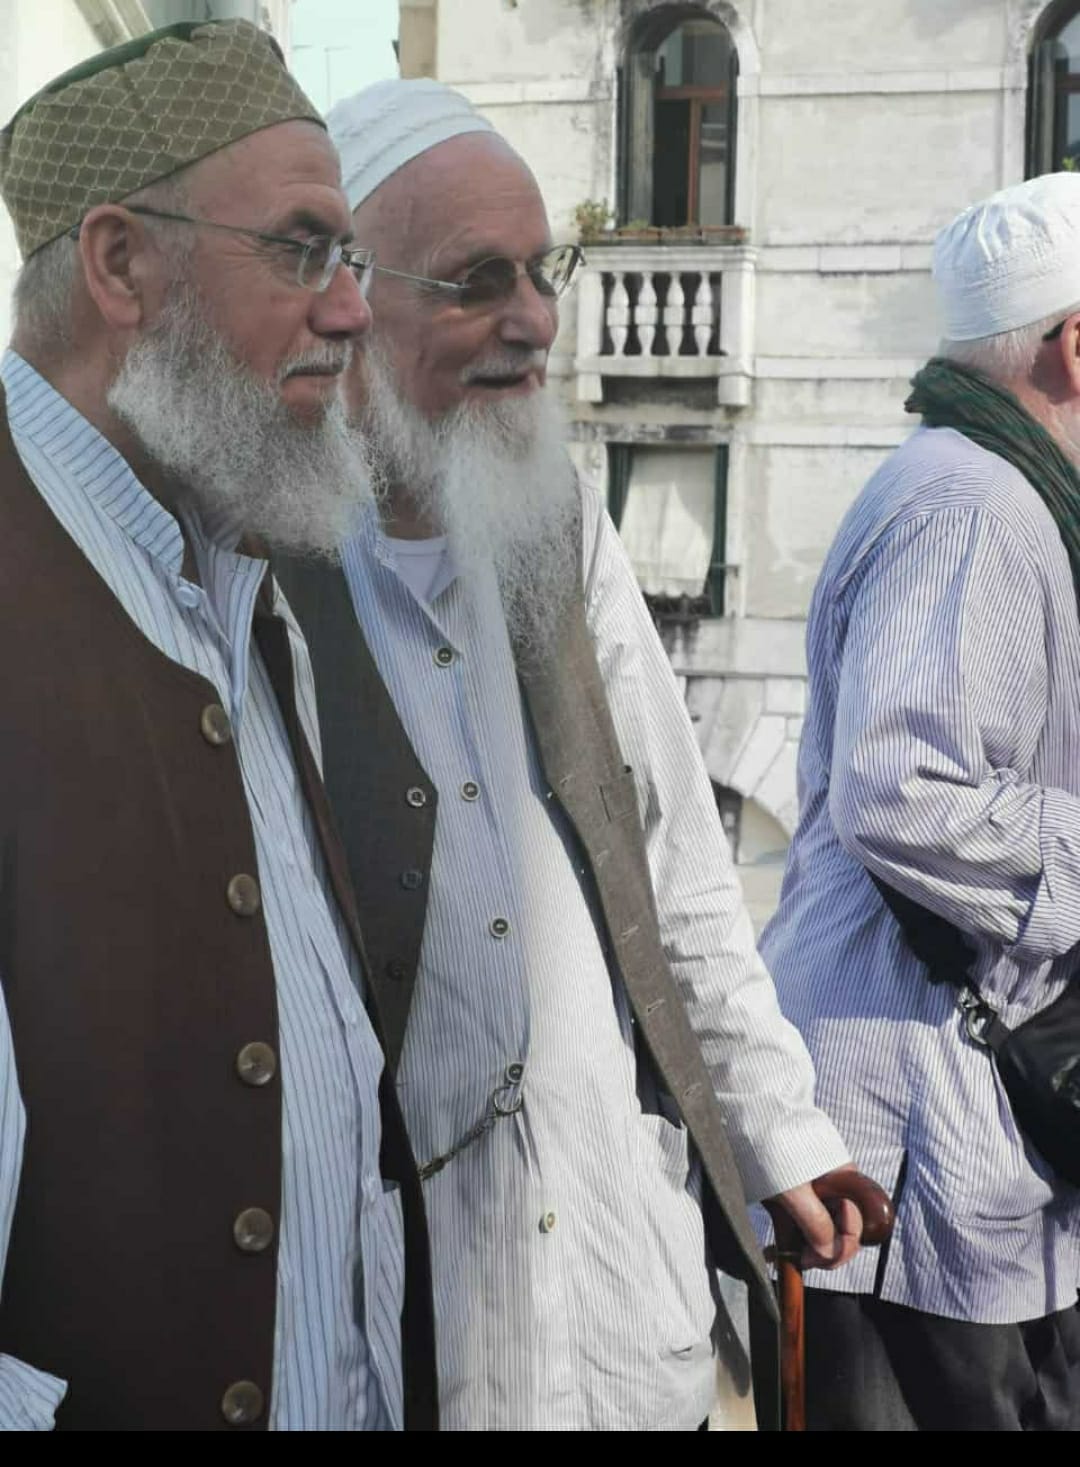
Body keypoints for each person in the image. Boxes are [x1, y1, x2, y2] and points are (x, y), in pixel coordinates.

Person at [275, 77, 876, 1433]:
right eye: (478, 280)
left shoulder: (558, 525)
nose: (537, 320)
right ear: (349, 294)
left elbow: (678, 868)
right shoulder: (263, 572)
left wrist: (780, 1130)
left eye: (543, 273)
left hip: (618, 1297)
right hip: (414, 1336)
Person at [0, 21, 435, 1432]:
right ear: (121, 266)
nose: (353, 310)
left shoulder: (234, 563)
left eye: (352, 259)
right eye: (303, 251)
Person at [760, 172, 1080, 1431]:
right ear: (1076, 345)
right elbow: (900, 789)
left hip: (958, 1148)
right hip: (906, 1149)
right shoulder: (973, 506)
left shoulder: (995, 493)